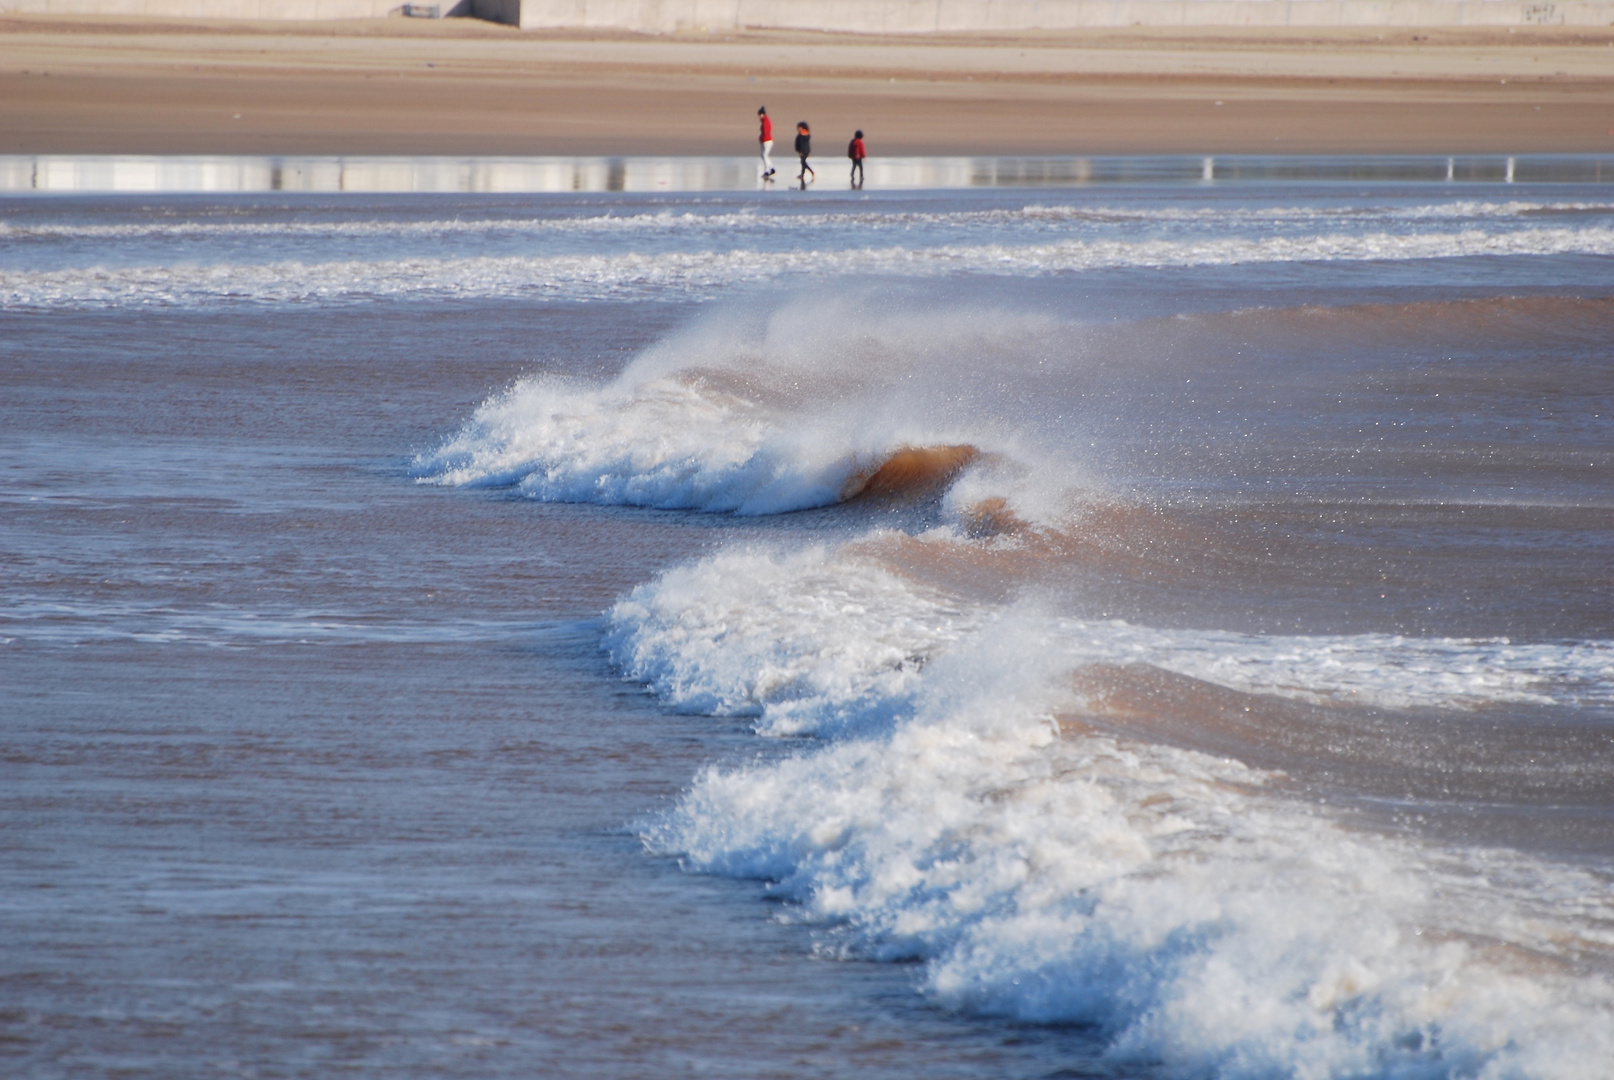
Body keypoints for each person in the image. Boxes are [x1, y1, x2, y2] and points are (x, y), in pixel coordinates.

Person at [757, 106, 775, 180]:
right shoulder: (765, 120)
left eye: (759, 115)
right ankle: (771, 168)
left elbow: (765, 131)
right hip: (766, 140)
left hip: (766, 140)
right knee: (764, 155)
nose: (759, 116)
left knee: (764, 155)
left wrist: (762, 138)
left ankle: (767, 170)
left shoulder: (765, 121)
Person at [794, 122, 814, 186]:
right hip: (806, 151)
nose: (797, 129)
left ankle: (811, 172)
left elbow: (801, 144)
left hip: (803, 151)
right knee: (803, 162)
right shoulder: (806, 134)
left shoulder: (801, 135)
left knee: (803, 162)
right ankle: (802, 175)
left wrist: (800, 151)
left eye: (798, 127)